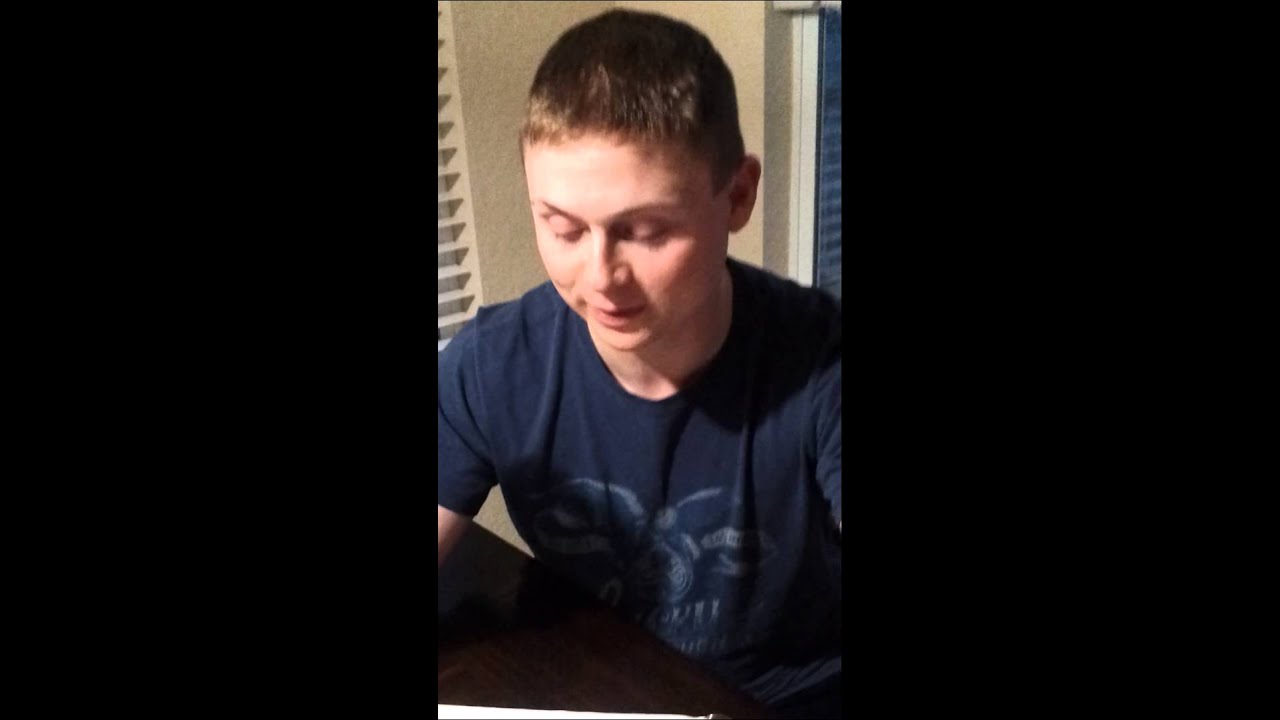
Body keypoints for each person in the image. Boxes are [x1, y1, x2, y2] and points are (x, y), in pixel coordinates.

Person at [438, 8, 841, 717]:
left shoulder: (821, 360)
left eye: (647, 231)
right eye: (562, 227)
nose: (600, 277)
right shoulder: (493, 366)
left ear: (738, 195)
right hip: (606, 685)